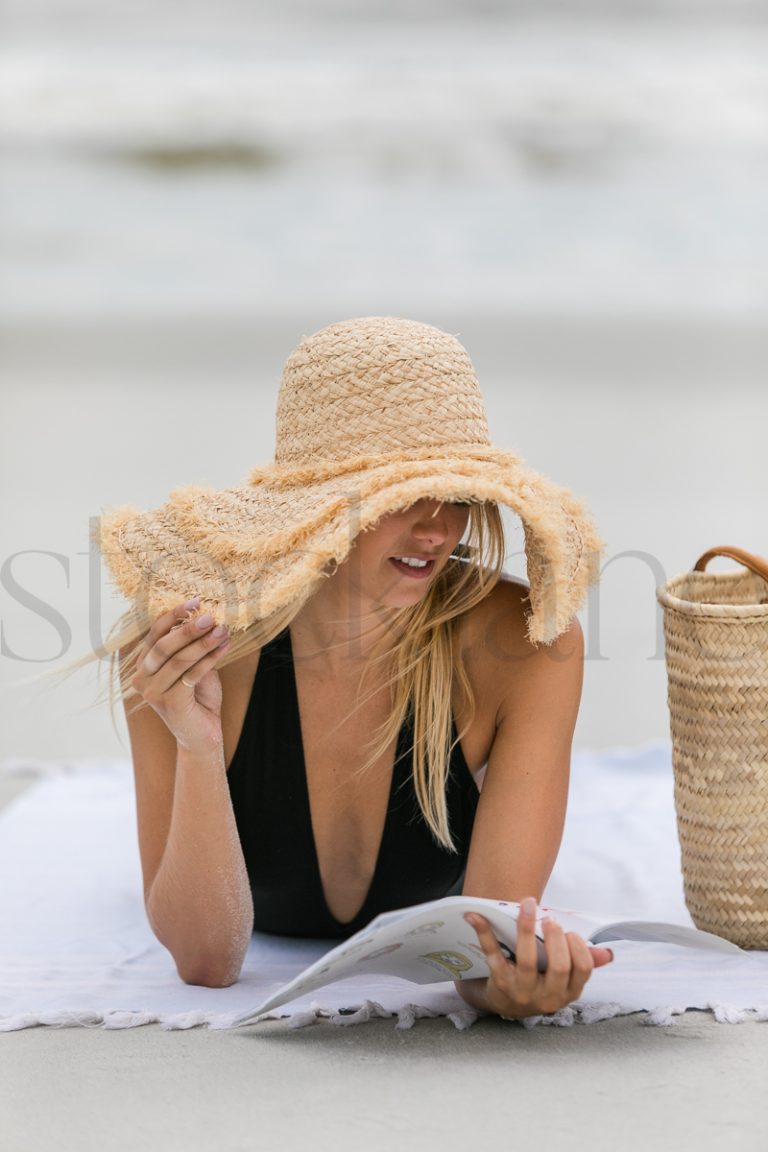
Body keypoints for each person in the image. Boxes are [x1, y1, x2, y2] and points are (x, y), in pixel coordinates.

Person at [98, 316, 611, 1021]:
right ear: (318, 509)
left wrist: (516, 990)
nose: (436, 527)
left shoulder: (525, 646)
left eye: (459, 495)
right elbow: (207, 960)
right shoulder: (190, 647)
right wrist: (198, 743)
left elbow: (485, 958)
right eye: (398, 496)